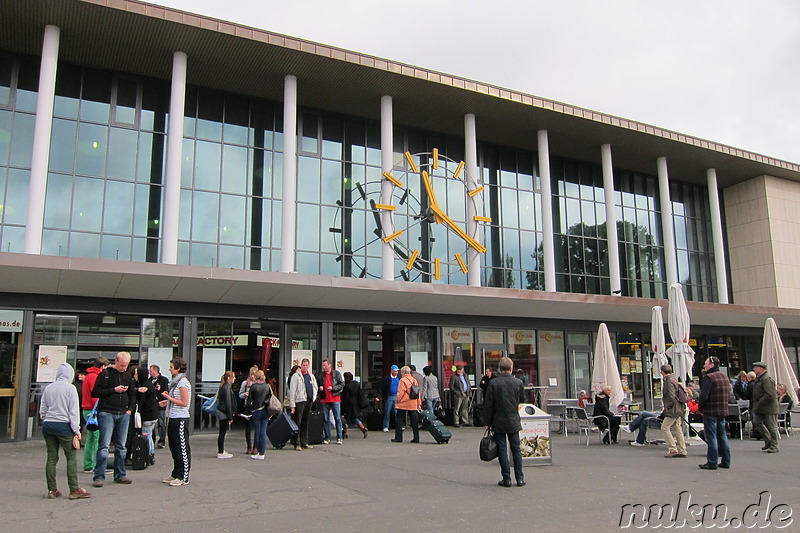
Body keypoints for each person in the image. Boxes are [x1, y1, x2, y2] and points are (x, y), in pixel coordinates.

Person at [40, 363, 92, 500]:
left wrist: (46, 418)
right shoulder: (70, 388)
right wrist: (77, 430)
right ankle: (74, 489)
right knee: (71, 457)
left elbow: (43, 409)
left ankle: (52, 490)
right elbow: (73, 412)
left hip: (48, 424)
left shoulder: (49, 388)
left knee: (51, 457)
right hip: (64, 426)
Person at [91, 351, 136, 487]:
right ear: (116, 362)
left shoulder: (128, 376)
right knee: (104, 445)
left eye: (126, 366)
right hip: (107, 411)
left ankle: (120, 474)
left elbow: (132, 394)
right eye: (122, 365)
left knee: (121, 446)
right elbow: (95, 392)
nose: (123, 368)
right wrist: (114, 390)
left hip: (123, 413)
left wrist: (130, 410)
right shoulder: (105, 374)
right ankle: (99, 476)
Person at [484, 356, 525, 488]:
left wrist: (488, 422)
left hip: (498, 419)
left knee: (502, 448)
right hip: (513, 419)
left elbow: (488, 405)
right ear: (511, 368)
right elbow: (522, 400)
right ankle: (520, 478)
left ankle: (506, 478)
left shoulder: (494, 383)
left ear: (500, 369)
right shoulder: (518, 383)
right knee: (516, 449)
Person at [697, 356, 732, 470]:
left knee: (711, 436)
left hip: (711, 410)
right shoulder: (724, 377)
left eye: (706, 363)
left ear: (712, 364)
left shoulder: (709, 378)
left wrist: (700, 407)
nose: (704, 365)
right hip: (722, 410)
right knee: (722, 435)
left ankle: (712, 462)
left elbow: (703, 396)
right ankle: (726, 460)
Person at [161, 357, 191, 486]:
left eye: (171, 367)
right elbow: (176, 399)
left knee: (181, 447)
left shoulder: (182, 382)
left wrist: (169, 398)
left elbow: (184, 403)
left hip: (180, 417)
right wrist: (167, 401)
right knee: (174, 446)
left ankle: (183, 476)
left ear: (178, 369)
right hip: (172, 416)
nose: (169, 369)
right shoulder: (175, 383)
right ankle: (176, 473)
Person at [80, 356, 108, 473]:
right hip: (93, 410)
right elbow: (95, 395)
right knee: (96, 438)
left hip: (86, 409)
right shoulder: (95, 377)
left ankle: (88, 464)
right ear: (102, 367)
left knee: (90, 439)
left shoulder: (88, 376)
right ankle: (96, 465)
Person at [288, 358, 318, 451]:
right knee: (298, 422)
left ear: (309, 366)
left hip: (308, 400)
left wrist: (313, 397)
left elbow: (315, 387)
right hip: (300, 401)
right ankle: (296, 443)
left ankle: (304, 442)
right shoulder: (296, 376)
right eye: (303, 365)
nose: (305, 367)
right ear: (301, 365)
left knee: (305, 422)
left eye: (306, 365)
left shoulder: (311, 376)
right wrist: (292, 405)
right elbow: (292, 391)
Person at [751, 361, 779, 453]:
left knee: (772, 426)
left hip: (769, 407)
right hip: (761, 406)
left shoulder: (767, 379)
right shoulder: (759, 379)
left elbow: (769, 394)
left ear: (761, 368)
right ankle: (768, 440)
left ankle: (774, 445)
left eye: (756, 367)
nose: (754, 369)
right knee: (756, 422)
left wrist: (760, 403)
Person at [659, 364, 687, 458]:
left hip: (673, 409)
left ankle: (672, 448)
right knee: (677, 428)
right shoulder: (674, 379)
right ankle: (682, 449)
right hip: (678, 408)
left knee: (665, 427)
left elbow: (671, 396)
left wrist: (667, 406)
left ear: (663, 372)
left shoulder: (669, 382)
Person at [136, 368, 160, 466]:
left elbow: (141, 402)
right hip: (153, 415)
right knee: (149, 434)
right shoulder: (149, 384)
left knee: (147, 435)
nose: (135, 376)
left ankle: (150, 453)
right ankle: (150, 453)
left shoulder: (145, 387)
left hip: (147, 416)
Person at [316, 359, 344, 445]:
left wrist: (333, 388)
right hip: (324, 399)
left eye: (325, 365)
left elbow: (341, 384)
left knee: (337, 418)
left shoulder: (336, 374)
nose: (323, 367)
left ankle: (339, 437)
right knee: (326, 419)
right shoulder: (321, 375)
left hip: (335, 398)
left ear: (329, 365)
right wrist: (320, 388)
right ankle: (327, 437)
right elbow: (317, 384)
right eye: (323, 365)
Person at [391, 366, 420, 443]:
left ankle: (398, 437)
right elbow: (417, 393)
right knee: (414, 421)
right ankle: (416, 438)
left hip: (403, 403)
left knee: (399, 420)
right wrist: (418, 403)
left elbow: (400, 393)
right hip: (413, 403)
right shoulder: (414, 380)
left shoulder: (402, 380)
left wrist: (397, 401)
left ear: (403, 372)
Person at [247, 370, 271, 460]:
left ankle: (256, 449)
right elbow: (269, 399)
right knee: (263, 431)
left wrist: (249, 412)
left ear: (256, 377)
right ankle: (262, 453)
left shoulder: (254, 386)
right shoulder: (267, 386)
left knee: (257, 431)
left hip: (256, 410)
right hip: (265, 410)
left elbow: (249, 400)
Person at [216, 371, 238, 459]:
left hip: (222, 411)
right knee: (222, 432)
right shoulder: (227, 387)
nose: (235, 378)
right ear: (229, 378)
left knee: (222, 432)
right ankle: (221, 452)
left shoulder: (224, 386)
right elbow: (228, 402)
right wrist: (230, 416)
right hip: (224, 412)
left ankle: (221, 450)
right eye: (234, 377)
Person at [341, 371, 368, 438]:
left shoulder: (347, 386)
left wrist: (343, 405)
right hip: (356, 403)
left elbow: (345, 398)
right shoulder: (357, 384)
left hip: (349, 405)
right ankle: (362, 428)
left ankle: (345, 432)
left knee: (346, 419)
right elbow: (360, 394)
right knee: (354, 418)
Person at [239, 365, 258, 455]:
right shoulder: (245, 383)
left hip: (256, 406)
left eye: (254, 375)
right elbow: (240, 394)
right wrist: (245, 394)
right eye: (251, 374)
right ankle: (249, 446)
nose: (252, 377)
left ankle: (255, 446)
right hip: (248, 406)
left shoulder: (259, 383)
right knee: (248, 427)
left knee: (257, 427)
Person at [379, 365, 400, 432]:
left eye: (397, 371)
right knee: (387, 412)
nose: (396, 372)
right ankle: (385, 426)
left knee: (397, 413)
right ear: (391, 371)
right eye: (395, 371)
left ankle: (399, 426)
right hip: (389, 397)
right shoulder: (387, 379)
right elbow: (382, 387)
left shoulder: (399, 378)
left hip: (397, 397)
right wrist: (379, 396)